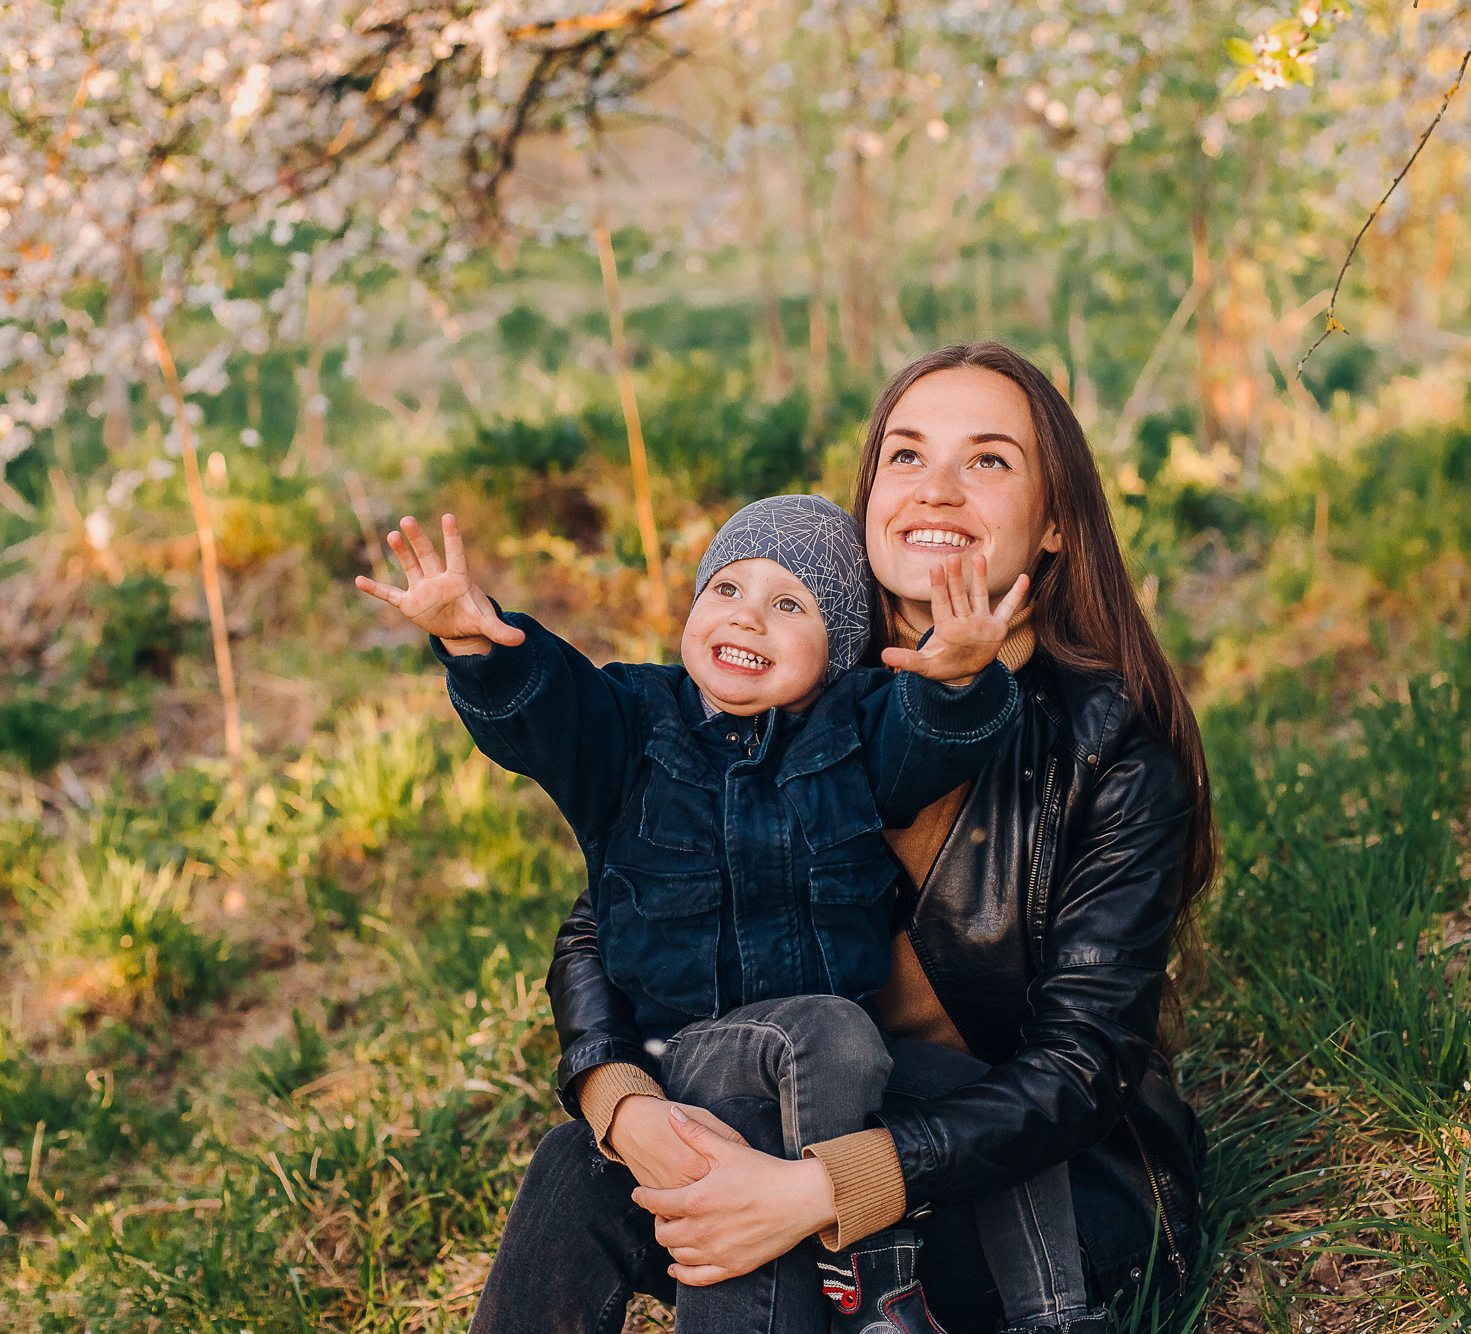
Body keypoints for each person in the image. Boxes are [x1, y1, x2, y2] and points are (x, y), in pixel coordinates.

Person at [467, 342, 1215, 1334]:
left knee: (791, 1222)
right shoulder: (783, 683)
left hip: (1018, 1184)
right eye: (904, 457)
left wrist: (815, 1187)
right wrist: (623, 1100)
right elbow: (611, 916)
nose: (935, 489)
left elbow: (1078, 1067)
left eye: (987, 460)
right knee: (578, 1162)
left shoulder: (1107, 749)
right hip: (778, 1110)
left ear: (1054, 525)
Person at [356, 494, 1097, 1331]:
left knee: (974, 1092)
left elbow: (925, 736)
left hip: (834, 1080)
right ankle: (863, 1277)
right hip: (689, 1059)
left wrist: (960, 674)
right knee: (813, 1033)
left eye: (790, 605)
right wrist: (472, 645)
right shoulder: (633, 725)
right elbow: (549, 710)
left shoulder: (853, 731)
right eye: (728, 590)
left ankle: (1058, 1313)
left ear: (839, 653)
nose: (749, 619)